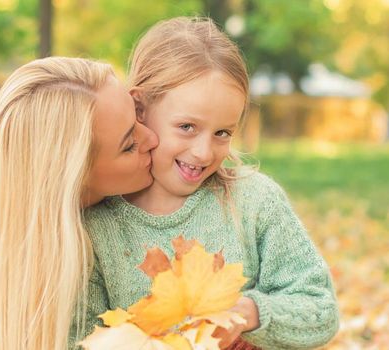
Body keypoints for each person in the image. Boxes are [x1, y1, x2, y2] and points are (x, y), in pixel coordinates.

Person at [77, 17, 340, 349]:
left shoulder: (253, 202)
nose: (203, 153)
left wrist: (250, 313)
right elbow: (78, 336)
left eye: (222, 133)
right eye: (187, 126)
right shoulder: (97, 225)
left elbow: (320, 309)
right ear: (140, 108)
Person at [0, 57, 158, 350]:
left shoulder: (158, 201)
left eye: (139, 117)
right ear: (69, 176)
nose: (153, 139)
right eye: (129, 145)